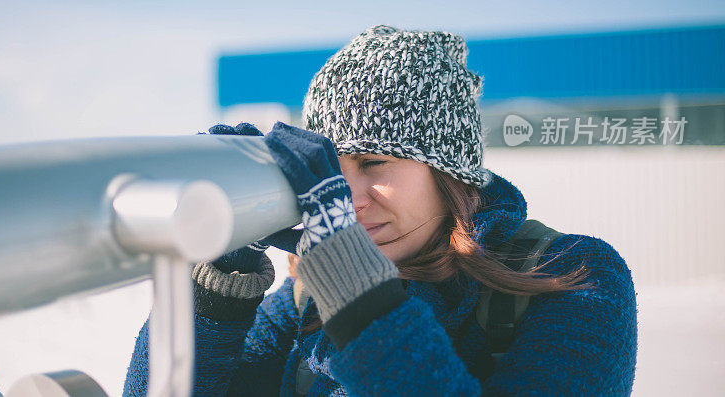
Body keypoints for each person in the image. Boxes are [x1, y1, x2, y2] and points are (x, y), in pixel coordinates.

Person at [124, 25, 638, 396]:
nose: (348, 197)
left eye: (373, 162)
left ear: (448, 170)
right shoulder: (301, 302)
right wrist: (217, 290)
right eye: (329, 168)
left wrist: (359, 302)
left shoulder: (576, 276)